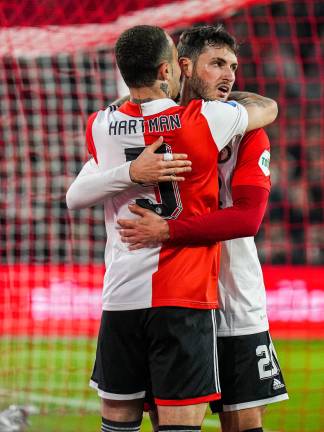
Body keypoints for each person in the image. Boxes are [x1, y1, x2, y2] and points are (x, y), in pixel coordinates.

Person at [66, 25, 277, 432]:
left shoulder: (245, 132)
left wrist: (168, 229)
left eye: (233, 66)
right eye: (216, 64)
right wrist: (133, 170)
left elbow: (249, 219)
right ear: (179, 67)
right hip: (179, 296)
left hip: (233, 297)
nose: (229, 75)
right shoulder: (202, 121)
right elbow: (267, 104)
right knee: (170, 418)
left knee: (244, 421)